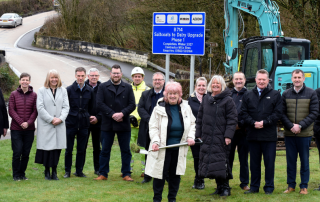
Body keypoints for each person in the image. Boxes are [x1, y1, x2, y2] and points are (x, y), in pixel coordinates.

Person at [145, 81, 195, 202]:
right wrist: (156, 141)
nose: (172, 96)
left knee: (175, 175)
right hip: (162, 148)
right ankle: (157, 199)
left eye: (175, 93)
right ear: (166, 94)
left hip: (179, 148)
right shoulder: (158, 108)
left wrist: (191, 137)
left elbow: (193, 124)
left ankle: (172, 199)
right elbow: (153, 127)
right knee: (159, 175)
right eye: (170, 93)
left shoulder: (186, 107)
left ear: (180, 94)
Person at [241, 69, 282, 195]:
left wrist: (265, 122)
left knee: (269, 163)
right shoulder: (248, 95)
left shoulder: (275, 94)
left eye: (264, 79)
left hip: (269, 136)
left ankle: (269, 187)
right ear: (255, 80)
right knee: (254, 164)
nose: (261, 81)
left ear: (268, 80)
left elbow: (278, 113)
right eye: (259, 79)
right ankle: (254, 187)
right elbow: (244, 112)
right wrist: (253, 123)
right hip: (253, 135)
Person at [195, 75, 237, 197]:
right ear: (210, 85)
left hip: (221, 137)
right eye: (213, 83)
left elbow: (232, 119)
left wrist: (228, 136)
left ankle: (225, 188)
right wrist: (198, 134)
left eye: (218, 83)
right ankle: (219, 187)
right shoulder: (206, 99)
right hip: (207, 137)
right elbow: (200, 118)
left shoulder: (228, 100)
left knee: (222, 162)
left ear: (222, 85)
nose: (215, 85)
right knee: (213, 163)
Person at [94, 64, 135, 181]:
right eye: (114, 73)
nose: (116, 75)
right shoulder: (102, 87)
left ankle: (126, 173)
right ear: (110, 74)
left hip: (123, 122)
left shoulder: (127, 87)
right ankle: (103, 174)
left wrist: (122, 113)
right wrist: (112, 114)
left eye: (118, 73)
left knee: (126, 150)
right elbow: (99, 103)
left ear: (121, 74)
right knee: (105, 150)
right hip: (108, 123)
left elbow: (132, 104)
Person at [281, 69, 318, 194]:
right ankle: (291, 186)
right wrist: (291, 126)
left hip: (304, 134)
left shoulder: (311, 93)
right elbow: (282, 113)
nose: (297, 79)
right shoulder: (285, 94)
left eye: (299, 77)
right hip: (289, 133)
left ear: (303, 79)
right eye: (295, 77)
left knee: (304, 161)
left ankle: (304, 186)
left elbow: (314, 113)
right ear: (292, 79)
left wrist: (300, 125)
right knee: (290, 161)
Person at [35, 69, 70, 180]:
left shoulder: (63, 90)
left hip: (59, 124)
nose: (54, 80)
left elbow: (66, 107)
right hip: (47, 124)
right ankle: (46, 172)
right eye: (52, 77)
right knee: (47, 149)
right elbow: (40, 107)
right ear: (48, 78)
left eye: (56, 77)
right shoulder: (41, 90)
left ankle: (54, 172)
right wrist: (51, 119)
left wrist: (60, 119)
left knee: (57, 149)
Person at [64, 67, 95, 178]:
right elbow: (65, 106)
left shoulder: (90, 90)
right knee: (69, 149)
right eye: (78, 75)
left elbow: (92, 107)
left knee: (82, 149)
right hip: (71, 123)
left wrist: (89, 116)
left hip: (84, 123)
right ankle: (67, 171)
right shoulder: (68, 90)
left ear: (86, 76)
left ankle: (79, 171)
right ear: (75, 76)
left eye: (82, 76)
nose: (80, 78)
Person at [8, 73, 37, 181]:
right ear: (20, 81)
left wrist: (28, 123)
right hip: (16, 129)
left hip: (29, 129)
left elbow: (35, 111)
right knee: (17, 152)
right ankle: (16, 175)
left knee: (26, 153)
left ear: (29, 82)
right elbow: (11, 110)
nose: (25, 82)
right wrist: (21, 122)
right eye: (23, 80)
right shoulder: (13, 94)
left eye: (27, 80)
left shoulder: (34, 95)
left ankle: (22, 174)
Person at [137, 72, 165, 184]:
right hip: (148, 127)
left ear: (163, 81)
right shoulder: (145, 94)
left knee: (163, 151)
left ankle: (162, 175)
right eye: (155, 80)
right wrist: (151, 121)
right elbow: (140, 108)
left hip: (164, 128)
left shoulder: (168, 94)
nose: (157, 82)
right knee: (149, 151)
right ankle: (147, 176)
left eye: (159, 79)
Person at [228, 72, 250, 191]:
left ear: (245, 80)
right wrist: (232, 126)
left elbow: (250, 112)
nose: (238, 81)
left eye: (240, 79)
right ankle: (226, 181)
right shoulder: (228, 94)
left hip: (244, 132)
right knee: (228, 157)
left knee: (243, 159)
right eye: (236, 79)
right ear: (233, 80)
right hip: (230, 133)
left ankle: (244, 183)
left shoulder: (249, 94)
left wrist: (240, 124)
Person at [129, 67, 150, 175]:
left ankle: (144, 169)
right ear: (132, 77)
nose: (137, 78)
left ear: (142, 77)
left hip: (142, 124)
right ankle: (129, 168)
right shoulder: (128, 89)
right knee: (130, 147)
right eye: (135, 76)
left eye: (139, 76)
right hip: (130, 124)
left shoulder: (147, 90)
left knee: (143, 148)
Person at [187, 77, 207, 189]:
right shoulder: (190, 100)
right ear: (195, 87)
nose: (201, 87)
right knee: (197, 157)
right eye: (199, 85)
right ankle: (198, 178)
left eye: (203, 85)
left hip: (208, 133)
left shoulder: (210, 98)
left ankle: (202, 177)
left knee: (205, 157)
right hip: (194, 133)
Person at [84, 68, 102, 175]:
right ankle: (79, 169)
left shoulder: (103, 88)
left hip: (98, 123)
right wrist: (88, 117)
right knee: (83, 146)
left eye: (96, 75)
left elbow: (105, 105)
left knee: (97, 147)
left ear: (98, 77)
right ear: (88, 76)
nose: (94, 77)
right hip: (85, 122)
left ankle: (98, 169)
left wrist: (98, 117)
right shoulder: (83, 87)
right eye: (92, 75)